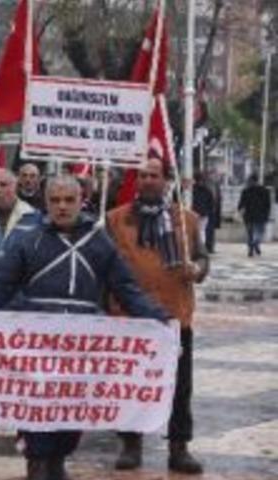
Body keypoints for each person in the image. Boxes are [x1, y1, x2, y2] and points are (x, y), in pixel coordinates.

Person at [0, 176, 170, 480]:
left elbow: (126, 288)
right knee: (35, 408)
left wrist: (156, 316)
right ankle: (36, 464)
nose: (62, 206)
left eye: (68, 200)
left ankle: (58, 460)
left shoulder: (100, 242)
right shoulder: (28, 240)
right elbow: (2, 285)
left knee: (70, 408)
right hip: (36, 345)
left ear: (80, 201)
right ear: (46, 203)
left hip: (81, 346)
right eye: (55, 200)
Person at [107, 157, 209, 474]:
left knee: (180, 387)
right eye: (142, 175)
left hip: (174, 317)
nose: (148, 180)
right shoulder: (115, 219)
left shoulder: (187, 220)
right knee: (129, 384)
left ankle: (179, 448)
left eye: (154, 175)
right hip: (128, 319)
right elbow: (104, 266)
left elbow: (203, 259)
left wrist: (197, 270)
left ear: (166, 180)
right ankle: (130, 444)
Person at [237, 175, 272, 257]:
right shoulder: (265, 191)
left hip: (249, 215)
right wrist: (267, 214)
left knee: (250, 233)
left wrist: (239, 209)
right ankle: (255, 243)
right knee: (259, 232)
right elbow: (268, 205)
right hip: (261, 215)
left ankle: (251, 248)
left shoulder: (245, 191)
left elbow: (241, 203)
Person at [192, 172, 215, 252]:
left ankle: (196, 247)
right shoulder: (207, 190)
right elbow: (211, 203)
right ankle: (201, 248)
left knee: (194, 231)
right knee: (202, 231)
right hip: (204, 214)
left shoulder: (191, 189)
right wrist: (208, 212)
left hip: (193, 213)